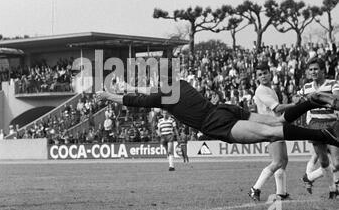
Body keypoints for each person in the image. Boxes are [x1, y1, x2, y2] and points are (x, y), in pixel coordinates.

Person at [95, 76, 339, 150]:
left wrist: (109, 96)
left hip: (215, 123)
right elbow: (146, 92)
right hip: (224, 109)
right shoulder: (180, 84)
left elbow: (136, 100)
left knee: (271, 133)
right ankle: (310, 102)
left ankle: (325, 136)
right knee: (276, 121)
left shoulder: (162, 97)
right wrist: (131, 88)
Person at [249, 63, 296, 201]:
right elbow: (277, 109)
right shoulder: (261, 90)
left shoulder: (271, 90)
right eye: (260, 74)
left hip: (276, 127)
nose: (263, 76)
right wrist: (296, 105)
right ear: (257, 77)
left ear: (270, 73)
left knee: (284, 160)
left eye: (265, 73)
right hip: (269, 128)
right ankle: (255, 188)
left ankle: (281, 193)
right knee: (277, 161)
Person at [300, 58, 339, 199]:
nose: (313, 72)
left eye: (316, 69)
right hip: (315, 125)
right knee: (323, 161)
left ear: (323, 70)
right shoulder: (306, 87)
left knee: (337, 162)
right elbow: (298, 102)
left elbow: (336, 98)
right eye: (311, 70)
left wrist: (318, 95)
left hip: (333, 125)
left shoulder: (333, 84)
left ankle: (309, 177)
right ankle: (333, 190)